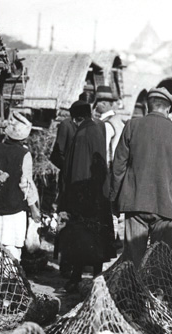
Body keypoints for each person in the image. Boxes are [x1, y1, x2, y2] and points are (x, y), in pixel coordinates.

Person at [109, 87, 172, 267]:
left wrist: (114, 200)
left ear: (148, 106)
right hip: (166, 207)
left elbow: (118, 167)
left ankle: (131, 285)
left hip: (135, 203)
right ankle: (154, 286)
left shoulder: (132, 126)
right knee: (159, 261)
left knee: (132, 260)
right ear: (168, 109)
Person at [57, 101, 112, 291]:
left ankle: (75, 279)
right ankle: (96, 277)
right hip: (97, 194)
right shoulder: (97, 129)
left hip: (84, 195)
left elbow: (78, 170)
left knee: (81, 238)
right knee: (96, 238)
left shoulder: (82, 134)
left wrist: (72, 198)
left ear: (75, 118)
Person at [0, 112, 42, 260]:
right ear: (25, 136)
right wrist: (34, 209)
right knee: (12, 251)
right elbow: (25, 184)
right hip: (14, 211)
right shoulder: (24, 154)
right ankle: (11, 275)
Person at [94, 85, 125, 166]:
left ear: (103, 104)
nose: (95, 106)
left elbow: (102, 149)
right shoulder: (118, 120)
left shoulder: (106, 124)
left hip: (107, 166)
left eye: (97, 103)